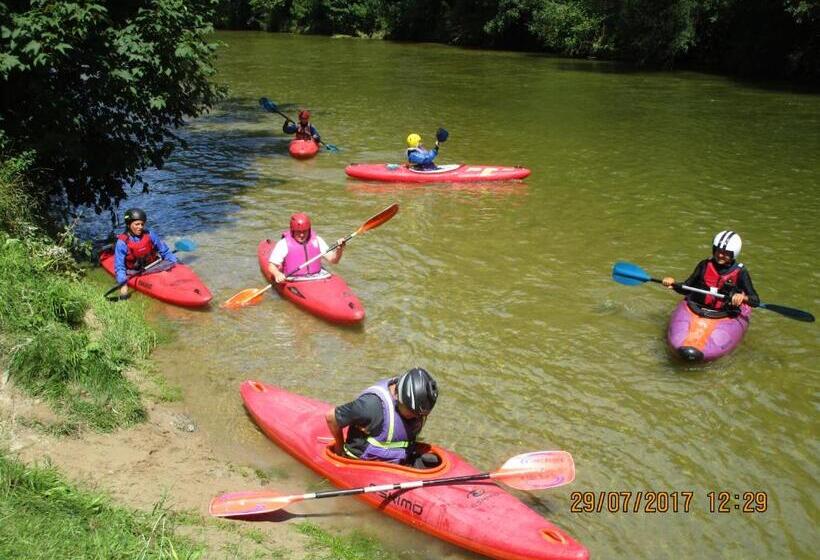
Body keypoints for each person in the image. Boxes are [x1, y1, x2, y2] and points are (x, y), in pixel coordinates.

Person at [325, 368, 440, 468]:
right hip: (361, 464)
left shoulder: (416, 406)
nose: (417, 418)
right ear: (399, 397)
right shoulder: (370, 407)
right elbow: (331, 417)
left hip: (399, 459)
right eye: (413, 412)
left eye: (421, 415)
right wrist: (339, 451)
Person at [662, 230, 759, 314]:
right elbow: (687, 288)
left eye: (726, 253)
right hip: (696, 308)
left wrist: (743, 297)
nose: (721, 255)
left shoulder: (740, 272)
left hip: (725, 312)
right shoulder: (704, 265)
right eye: (718, 250)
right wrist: (673, 283)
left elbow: (755, 301)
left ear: (734, 254)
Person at [114, 208, 177, 299]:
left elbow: (165, 251)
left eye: (142, 224)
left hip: (154, 265)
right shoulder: (122, 242)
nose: (140, 227)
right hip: (136, 271)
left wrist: (175, 263)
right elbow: (119, 267)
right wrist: (123, 285)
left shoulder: (150, 235)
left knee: (168, 268)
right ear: (128, 224)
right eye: (137, 224)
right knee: (163, 275)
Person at [268, 213, 345, 283]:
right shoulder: (283, 244)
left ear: (309, 230)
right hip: (294, 280)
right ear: (292, 230)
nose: (302, 235)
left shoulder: (317, 240)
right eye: (298, 231)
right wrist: (277, 274)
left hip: (317, 278)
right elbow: (271, 266)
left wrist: (339, 249)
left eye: (305, 231)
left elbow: (334, 260)